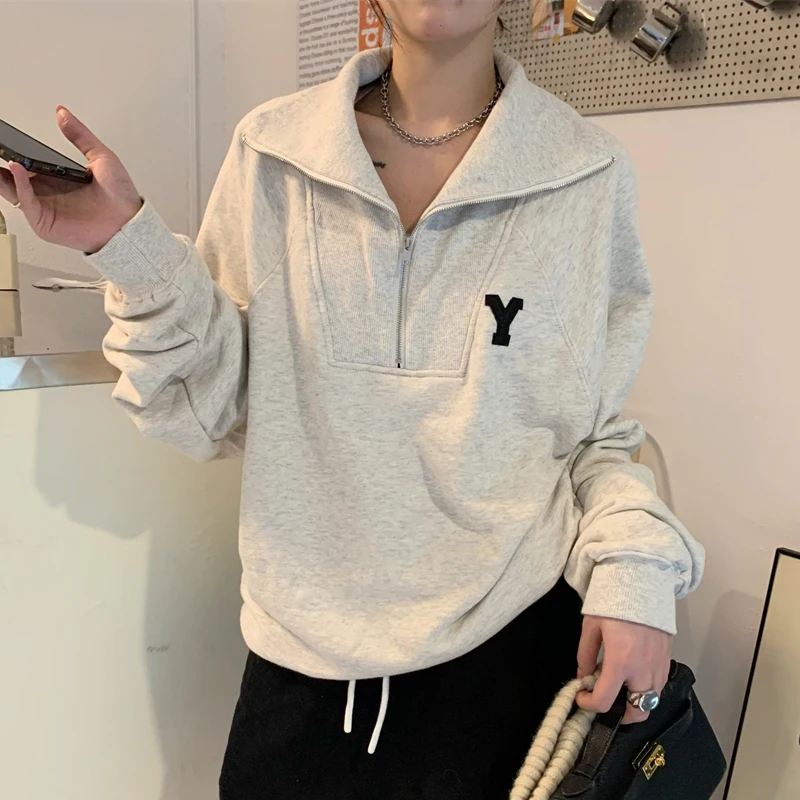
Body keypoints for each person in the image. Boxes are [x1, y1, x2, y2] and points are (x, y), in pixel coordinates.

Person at [0, 1, 705, 797]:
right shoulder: (274, 150)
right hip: (298, 673)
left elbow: (594, 440)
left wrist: (636, 576)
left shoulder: (584, 171)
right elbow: (209, 406)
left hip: (508, 662)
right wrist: (123, 241)